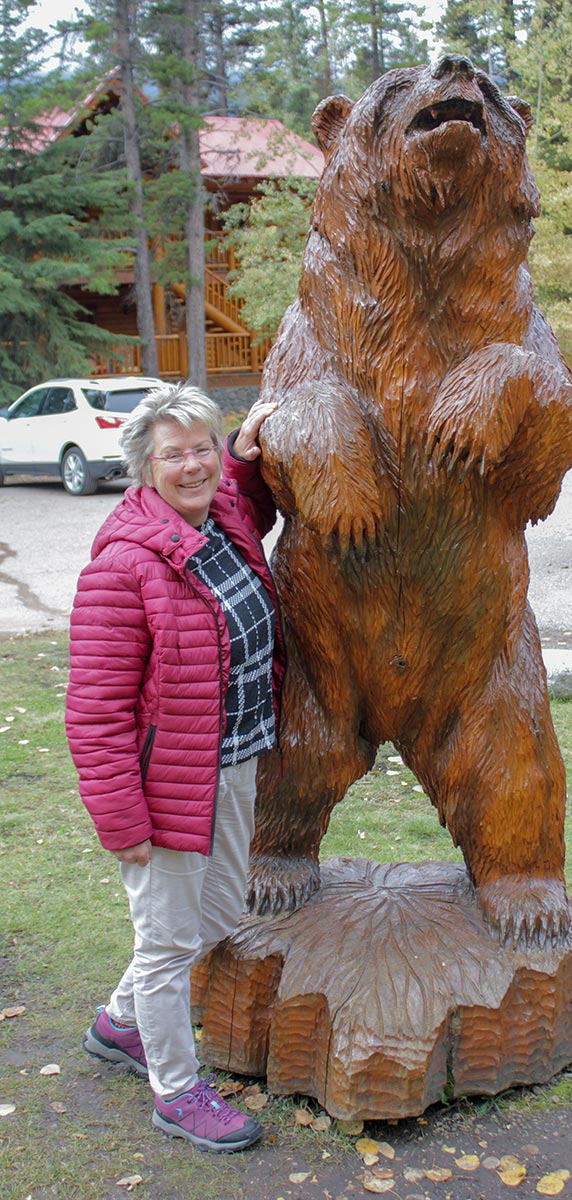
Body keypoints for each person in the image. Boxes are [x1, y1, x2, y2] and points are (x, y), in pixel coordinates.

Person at [65, 381, 285, 1154]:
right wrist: (121, 820)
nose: (192, 465)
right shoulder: (123, 567)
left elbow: (245, 502)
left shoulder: (219, 518)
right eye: (173, 454)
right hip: (165, 789)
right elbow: (94, 712)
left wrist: (244, 459)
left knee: (215, 916)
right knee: (165, 942)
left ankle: (119, 1025)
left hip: (233, 761)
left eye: (202, 449)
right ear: (143, 466)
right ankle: (176, 1091)